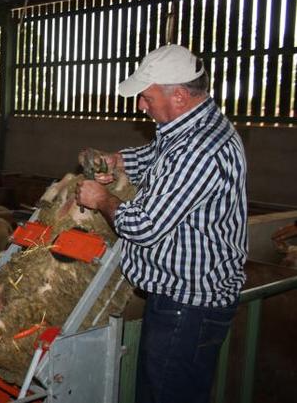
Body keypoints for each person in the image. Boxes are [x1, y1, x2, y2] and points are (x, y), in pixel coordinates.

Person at [76, 44, 247, 403]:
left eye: (146, 97)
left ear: (180, 95)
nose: (141, 105)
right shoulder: (188, 129)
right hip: (181, 300)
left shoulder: (201, 149)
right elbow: (155, 156)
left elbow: (144, 226)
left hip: (189, 307)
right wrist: (116, 161)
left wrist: (101, 199)